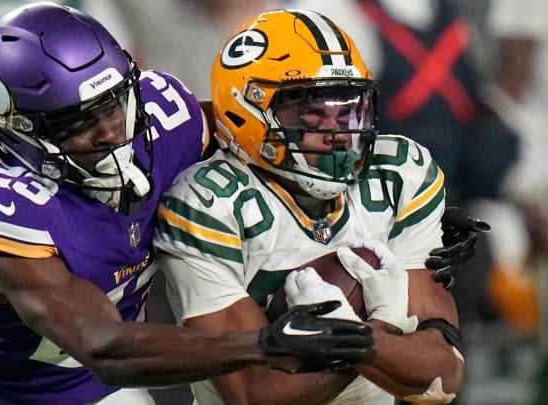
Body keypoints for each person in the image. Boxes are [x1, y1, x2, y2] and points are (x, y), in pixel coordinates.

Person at [0, 3, 378, 404]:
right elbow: (105, 347)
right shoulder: (5, 207)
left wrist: (410, 206)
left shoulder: (163, 116)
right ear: (21, 130)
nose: (109, 130)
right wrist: (266, 344)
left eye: (113, 103)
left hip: (106, 393)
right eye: (77, 120)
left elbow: (264, 136)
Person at [154, 9, 466, 404]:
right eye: (312, 114)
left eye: (348, 112)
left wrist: (357, 336)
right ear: (247, 112)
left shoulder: (399, 175)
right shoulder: (208, 204)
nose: (338, 135)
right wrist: (380, 333)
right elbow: (255, 395)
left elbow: (441, 380)